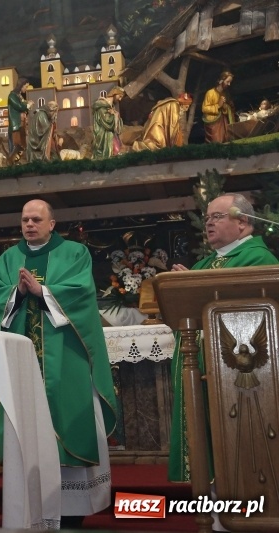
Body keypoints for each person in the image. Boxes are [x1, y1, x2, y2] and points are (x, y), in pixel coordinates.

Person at [0, 200, 118, 527]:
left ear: (52, 224)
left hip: (66, 360)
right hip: (22, 363)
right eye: (25, 220)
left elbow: (81, 293)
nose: (29, 225)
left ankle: (72, 511)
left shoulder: (74, 253)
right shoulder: (8, 259)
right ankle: (32, 506)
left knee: (67, 421)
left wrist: (42, 291)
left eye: (36, 219)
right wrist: (18, 292)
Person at [168, 193, 278, 484]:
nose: (208, 223)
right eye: (207, 218)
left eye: (217, 217)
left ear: (242, 222)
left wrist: (191, 283)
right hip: (203, 367)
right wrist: (185, 283)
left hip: (240, 373)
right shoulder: (205, 265)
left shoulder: (258, 259)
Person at [202, 71, 235, 143]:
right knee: (216, 142)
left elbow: (228, 108)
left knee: (226, 140)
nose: (229, 84)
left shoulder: (225, 94)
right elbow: (204, 109)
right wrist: (218, 105)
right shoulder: (210, 93)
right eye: (227, 82)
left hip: (223, 122)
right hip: (213, 124)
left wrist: (226, 107)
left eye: (230, 82)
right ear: (221, 81)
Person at [92, 86, 125, 159]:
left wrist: (116, 115)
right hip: (104, 137)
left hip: (111, 134)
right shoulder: (101, 106)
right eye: (120, 96)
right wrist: (115, 116)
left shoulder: (110, 107)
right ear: (115, 93)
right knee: (117, 152)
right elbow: (107, 122)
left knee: (119, 152)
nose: (120, 99)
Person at [7, 78, 30, 163]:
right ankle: (11, 162)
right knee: (16, 145)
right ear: (21, 85)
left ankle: (18, 162)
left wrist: (27, 106)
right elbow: (19, 106)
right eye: (25, 87)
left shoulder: (19, 96)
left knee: (22, 145)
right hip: (16, 124)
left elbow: (23, 107)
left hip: (21, 124)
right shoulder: (12, 96)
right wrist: (27, 105)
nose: (26, 89)